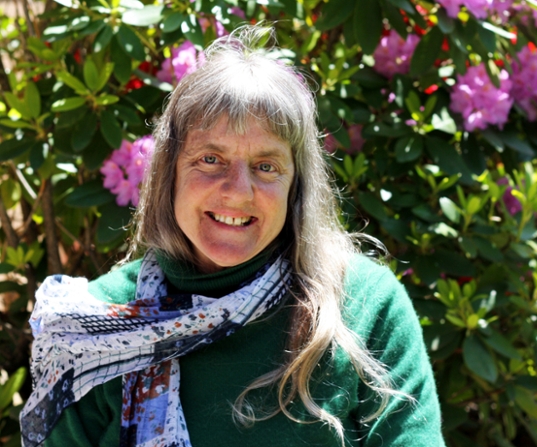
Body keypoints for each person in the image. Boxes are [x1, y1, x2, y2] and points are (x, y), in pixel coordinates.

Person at [20, 26, 445, 447]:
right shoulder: (92, 329)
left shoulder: (365, 306)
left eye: (266, 166)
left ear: (295, 187)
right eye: (210, 159)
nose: (238, 190)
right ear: (169, 172)